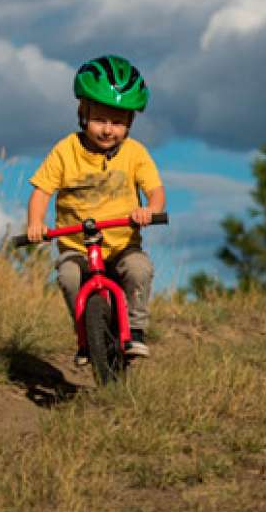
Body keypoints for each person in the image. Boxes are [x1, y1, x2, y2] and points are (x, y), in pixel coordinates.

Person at [26, 55, 166, 363]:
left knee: (139, 269)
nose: (107, 130)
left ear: (129, 123)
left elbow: (155, 190)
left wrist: (150, 211)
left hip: (120, 246)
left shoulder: (135, 153)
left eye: (117, 123)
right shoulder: (66, 151)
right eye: (100, 120)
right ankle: (85, 338)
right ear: (82, 113)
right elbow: (42, 191)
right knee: (68, 276)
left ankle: (137, 330)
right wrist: (35, 223)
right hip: (79, 247)